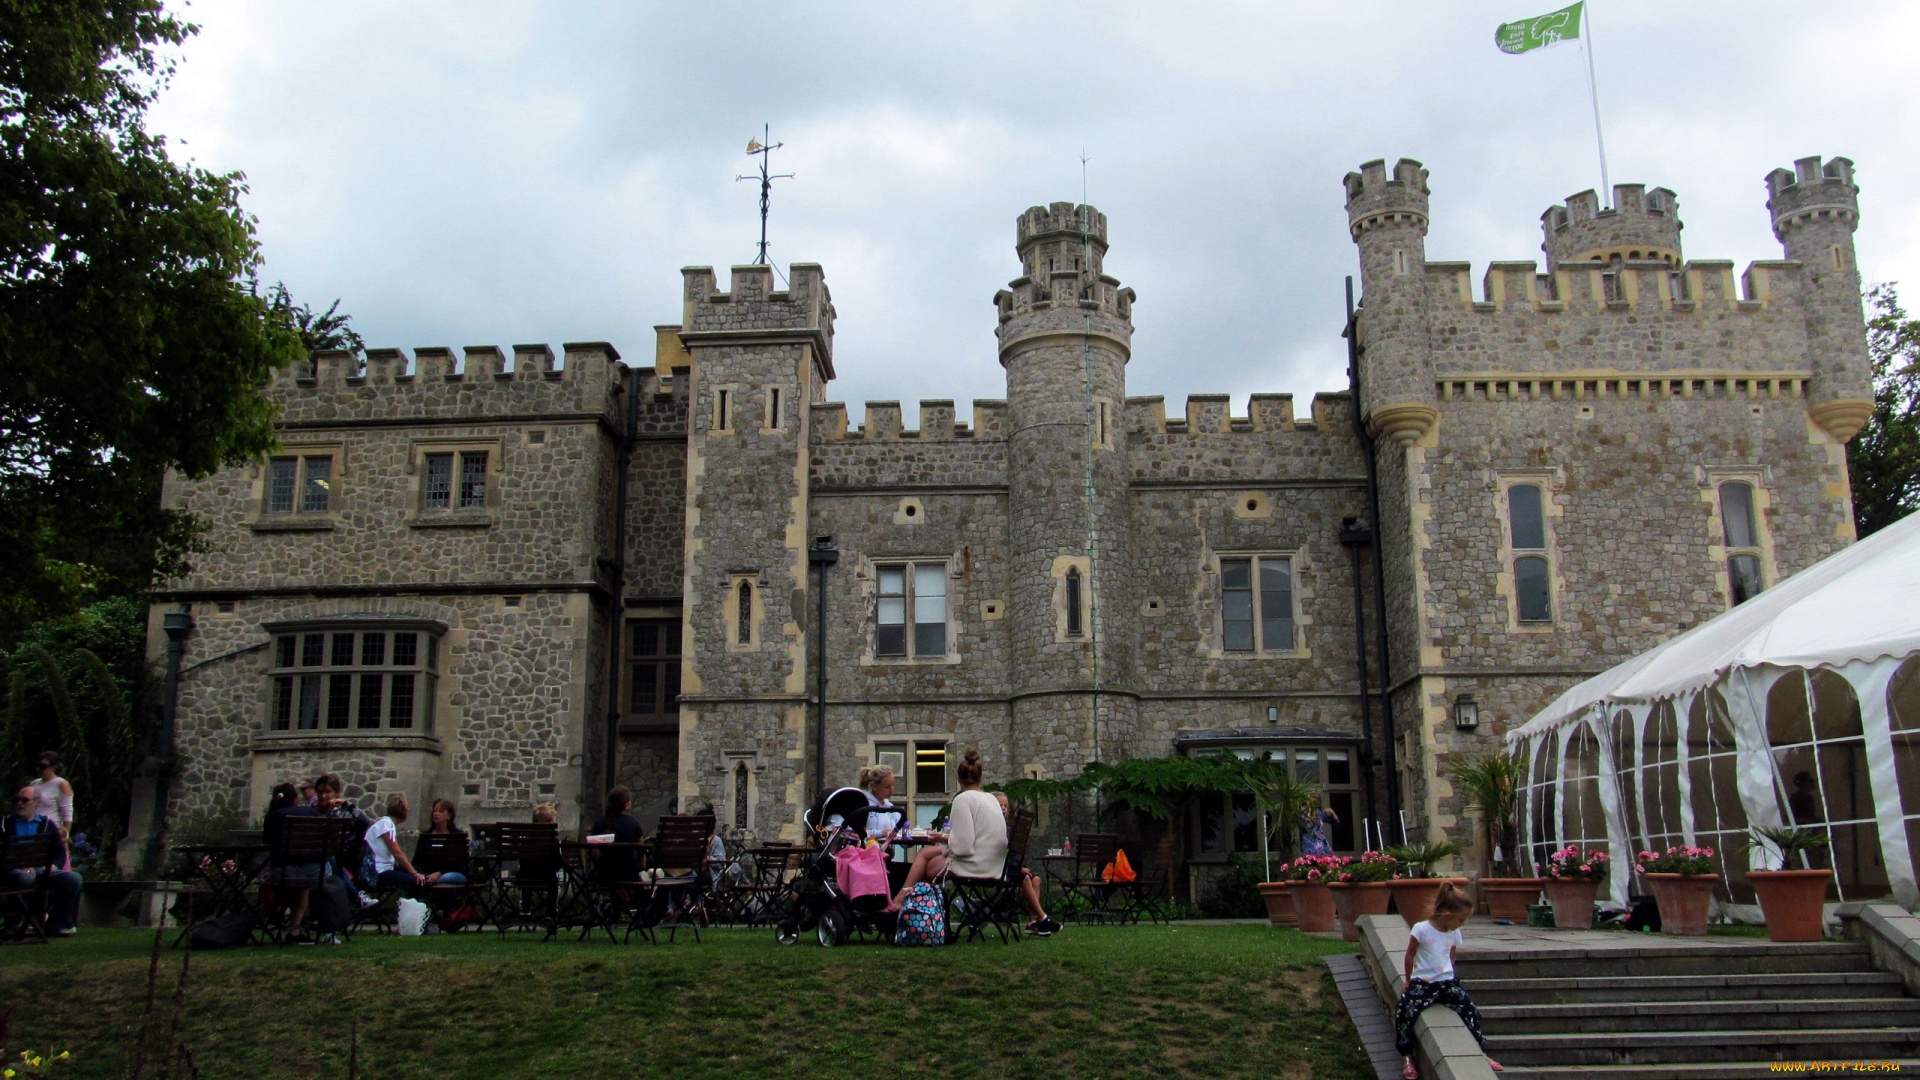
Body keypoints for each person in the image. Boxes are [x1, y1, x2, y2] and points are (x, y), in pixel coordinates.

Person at [1396, 883, 1501, 1078]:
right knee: (1405, 1010)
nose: (1463, 924)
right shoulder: (1422, 929)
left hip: (1446, 982)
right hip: (1423, 983)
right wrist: (1408, 980)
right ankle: (1407, 1058)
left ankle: (1480, 1052)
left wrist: (1450, 975)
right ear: (1448, 915)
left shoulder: (1454, 932)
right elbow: (1410, 955)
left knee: (1470, 1010)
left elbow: (1452, 955)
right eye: (1461, 919)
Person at [891, 748, 1005, 906]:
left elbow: (964, 847)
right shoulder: (992, 799)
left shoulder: (963, 799)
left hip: (975, 864)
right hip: (995, 863)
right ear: (981, 778)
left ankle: (909, 906)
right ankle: (915, 907)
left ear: (958, 779)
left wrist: (942, 837)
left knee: (926, 868)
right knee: (925, 853)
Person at [5, 786, 81, 937]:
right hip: (12, 871)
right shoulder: (5, 824)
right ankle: (17, 922)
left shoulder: (47, 825)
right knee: (24, 878)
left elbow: (59, 853)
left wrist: (54, 866)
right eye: (17, 800)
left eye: (24, 800)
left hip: (40, 871)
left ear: (36, 802)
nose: (19, 803)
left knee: (73, 879)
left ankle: (55, 924)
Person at [993, 791, 1061, 937]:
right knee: (1024, 877)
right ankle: (1043, 917)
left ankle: (1032, 922)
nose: (1004, 808)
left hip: (1011, 867)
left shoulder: (1008, 827)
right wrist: (1019, 868)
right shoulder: (995, 828)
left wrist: (1020, 867)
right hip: (999, 869)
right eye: (1000, 805)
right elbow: (999, 854)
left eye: (1005, 806)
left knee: (1035, 879)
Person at [262, 782, 321, 939]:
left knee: (291, 878)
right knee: (302, 885)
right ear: (296, 799)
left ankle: (279, 911)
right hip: (313, 871)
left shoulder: (274, 816)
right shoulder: (310, 812)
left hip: (280, 872)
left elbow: (267, 840)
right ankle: (293, 931)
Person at [364, 793, 429, 897]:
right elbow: (397, 852)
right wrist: (414, 873)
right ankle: (417, 909)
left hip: (384, 869)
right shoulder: (386, 824)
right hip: (378, 872)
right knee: (417, 882)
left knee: (419, 875)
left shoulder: (385, 823)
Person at [588, 787, 645, 884]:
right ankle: (625, 897)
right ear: (626, 805)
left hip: (605, 873)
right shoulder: (633, 823)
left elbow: (595, 853)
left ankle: (619, 896)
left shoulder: (599, 824)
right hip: (629, 872)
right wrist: (643, 868)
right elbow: (641, 850)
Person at [411, 798, 469, 886]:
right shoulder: (426, 836)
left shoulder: (457, 835)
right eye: (434, 811)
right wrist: (421, 874)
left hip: (452, 873)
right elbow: (416, 861)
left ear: (449, 815)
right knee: (413, 879)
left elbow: (459, 863)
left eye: (441, 811)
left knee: (445, 878)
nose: (436, 814)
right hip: (428, 873)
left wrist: (440, 873)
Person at [29, 752, 74, 842]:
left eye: (43, 766)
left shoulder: (61, 784)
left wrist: (65, 835)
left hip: (51, 829)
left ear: (53, 767)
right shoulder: (34, 784)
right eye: (38, 765)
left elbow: (67, 813)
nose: (39, 769)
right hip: (34, 829)